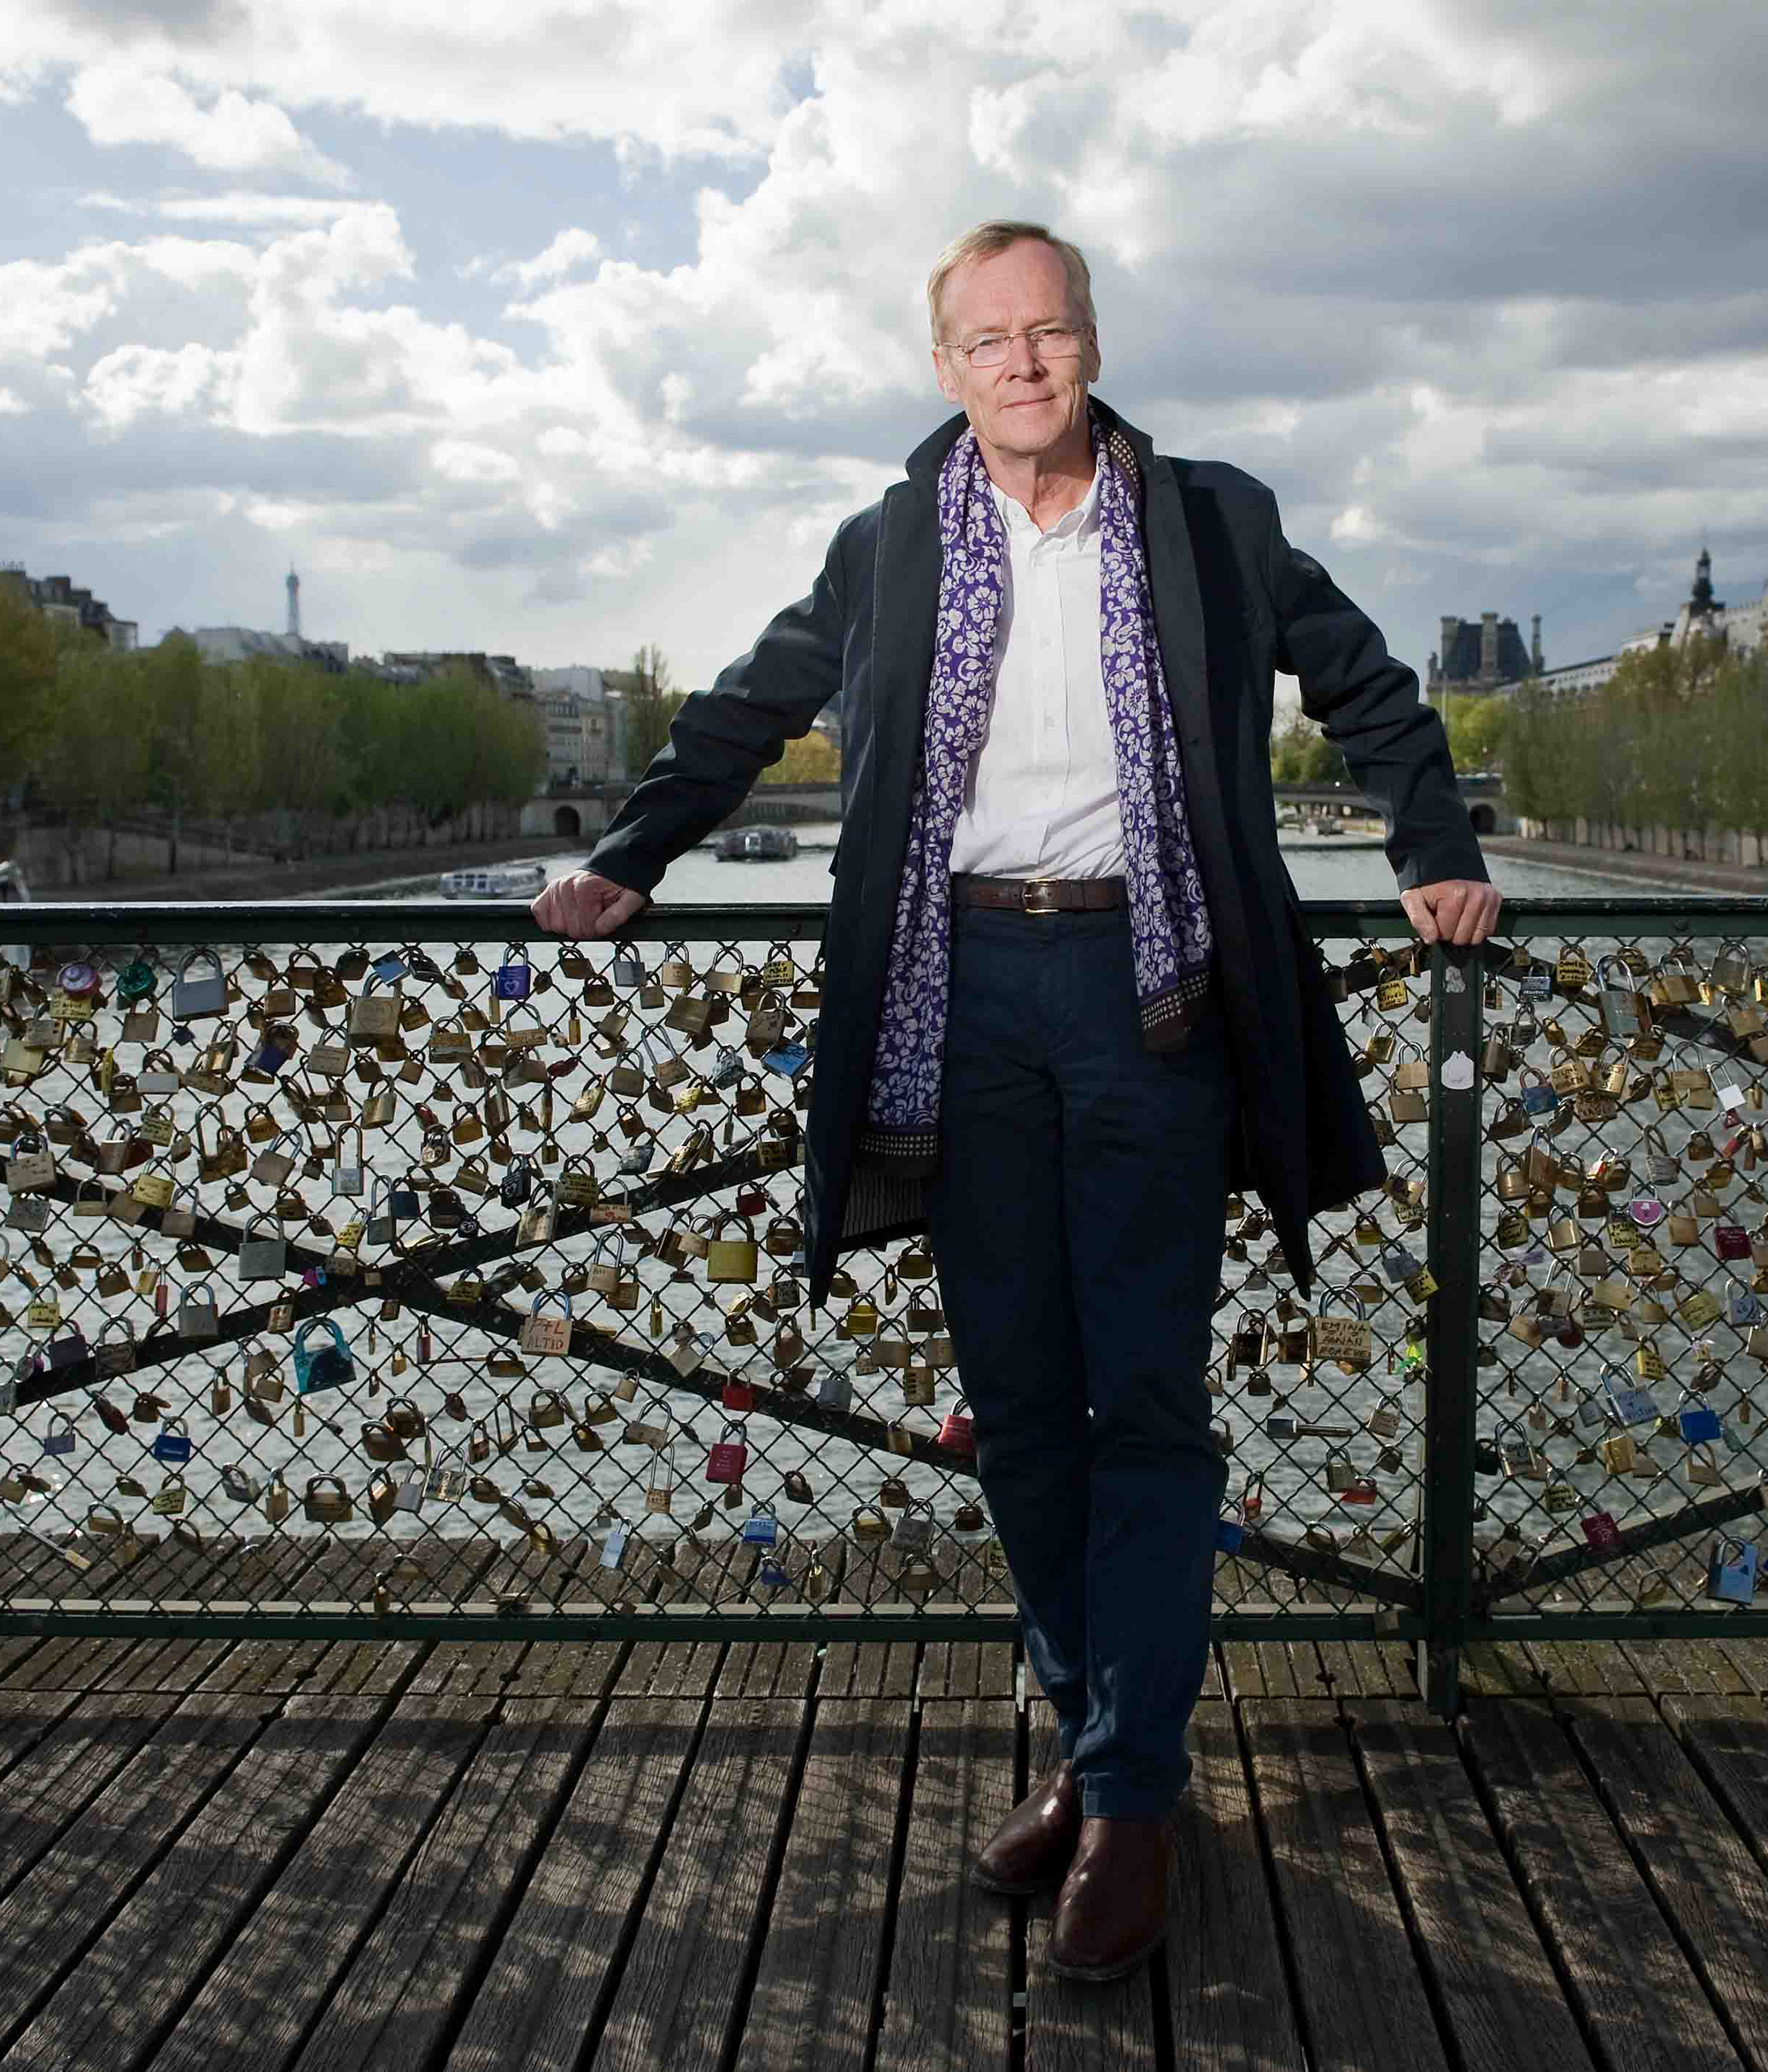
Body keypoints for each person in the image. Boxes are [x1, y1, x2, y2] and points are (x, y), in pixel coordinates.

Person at [532, 220, 1497, 1981]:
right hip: (956, 991)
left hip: (1154, 988)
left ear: (1093, 343)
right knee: (1021, 1405)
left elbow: (1366, 684)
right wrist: (629, 857)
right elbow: (745, 711)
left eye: (1048, 332)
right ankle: (1097, 1736)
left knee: (1149, 1393)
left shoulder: (1211, 519)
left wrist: (1433, 847)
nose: (1024, 363)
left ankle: (1127, 1797)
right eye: (990, 341)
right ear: (947, 367)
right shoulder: (889, 541)